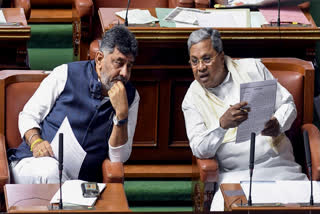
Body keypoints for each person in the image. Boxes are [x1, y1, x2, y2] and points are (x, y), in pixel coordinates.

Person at [182, 28, 307, 211]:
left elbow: (288, 104)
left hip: (280, 167)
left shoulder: (253, 69)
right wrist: (221, 126)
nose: (200, 67)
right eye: (194, 61)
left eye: (207, 59)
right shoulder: (192, 99)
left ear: (221, 56)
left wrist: (278, 123)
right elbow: (199, 148)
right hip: (235, 176)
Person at [8, 25, 140, 184]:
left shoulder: (131, 97)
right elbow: (28, 115)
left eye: (129, 66)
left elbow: (119, 158)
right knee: (51, 172)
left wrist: (121, 116)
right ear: (99, 59)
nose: (124, 73)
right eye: (118, 63)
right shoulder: (65, 73)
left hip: (80, 182)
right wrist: (36, 142)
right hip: (35, 165)